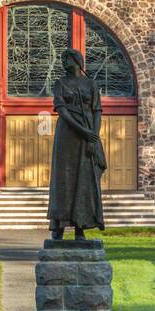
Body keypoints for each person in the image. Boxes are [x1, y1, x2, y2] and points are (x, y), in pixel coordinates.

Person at [48, 47, 107, 240]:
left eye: (68, 58)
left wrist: (94, 136)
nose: (64, 62)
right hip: (68, 135)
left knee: (84, 179)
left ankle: (81, 226)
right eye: (63, 59)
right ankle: (59, 226)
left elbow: (97, 110)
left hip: (88, 134)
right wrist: (85, 132)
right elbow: (62, 111)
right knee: (63, 180)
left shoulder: (91, 84)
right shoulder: (60, 84)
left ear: (77, 61)